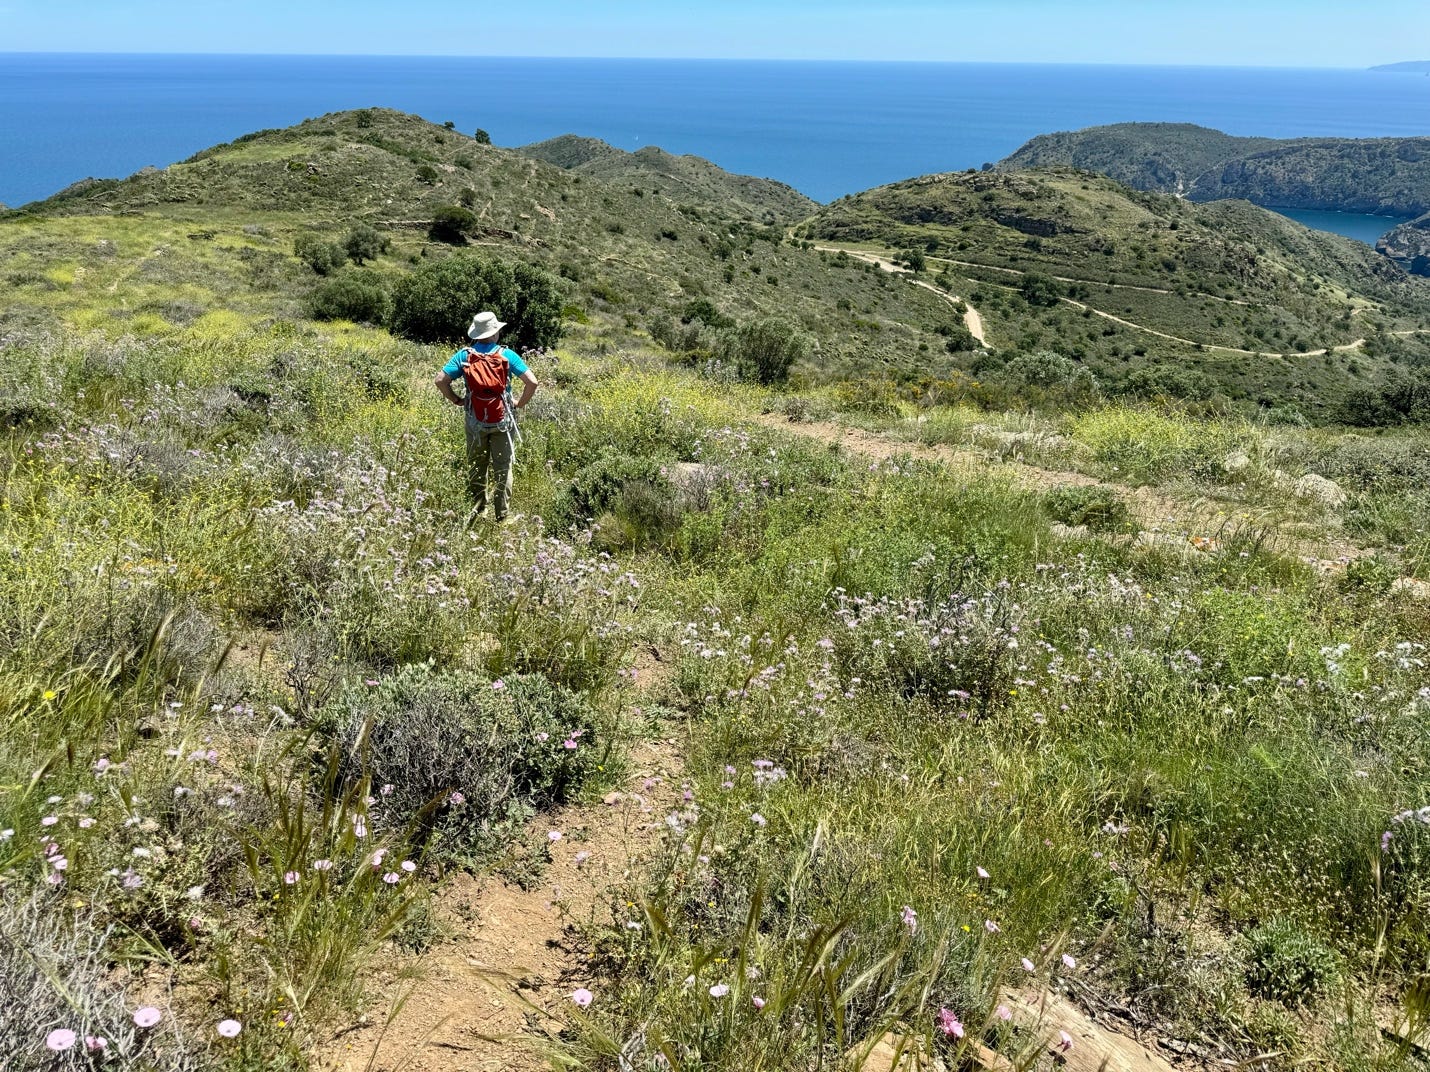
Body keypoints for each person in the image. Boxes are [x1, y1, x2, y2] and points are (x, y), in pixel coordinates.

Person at [434, 311, 538, 523]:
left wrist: (457, 400)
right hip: (502, 418)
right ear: (495, 333)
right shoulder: (507, 355)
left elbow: (440, 380)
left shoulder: (464, 355)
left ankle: (478, 509)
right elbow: (532, 382)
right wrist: (519, 403)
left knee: (477, 464)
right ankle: (502, 516)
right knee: (503, 467)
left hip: (475, 418)